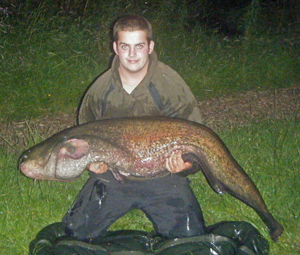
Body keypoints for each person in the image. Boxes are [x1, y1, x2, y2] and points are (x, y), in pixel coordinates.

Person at [63, 14, 205, 242]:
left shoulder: (171, 85)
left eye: (139, 46)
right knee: (76, 233)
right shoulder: (99, 91)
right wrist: (93, 164)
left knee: (190, 238)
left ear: (150, 47)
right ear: (115, 48)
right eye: (125, 46)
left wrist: (185, 165)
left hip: (163, 176)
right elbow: (83, 141)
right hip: (113, 176)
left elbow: (198, 138)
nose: (131, 54)